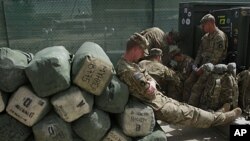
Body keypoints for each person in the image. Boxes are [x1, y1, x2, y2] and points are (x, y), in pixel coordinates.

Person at [116, 32, 241, 128]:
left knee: (187, 107)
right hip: (158, 105)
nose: (143, 54)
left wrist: (150, 81)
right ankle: (222, 118)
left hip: (159, 100)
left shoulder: (130, 64)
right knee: (192, 115)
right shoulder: (128, 70)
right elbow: (150, 90)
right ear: (136, 49)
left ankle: (218, 114)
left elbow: (147, 78)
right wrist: (152, 82)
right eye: (142, 51)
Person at [183, 13, 228, 102]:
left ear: (210, 23)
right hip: (201, 67)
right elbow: (199, 53)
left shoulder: (219, 37)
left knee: (196, 88)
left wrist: (202, 69)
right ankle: (184, 105)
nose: (203, 28)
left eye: (204, 25)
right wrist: (195, 66)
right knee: (187, 83)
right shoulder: (205, 37)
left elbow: (216, 59)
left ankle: (192, 109)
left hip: (211, 69)